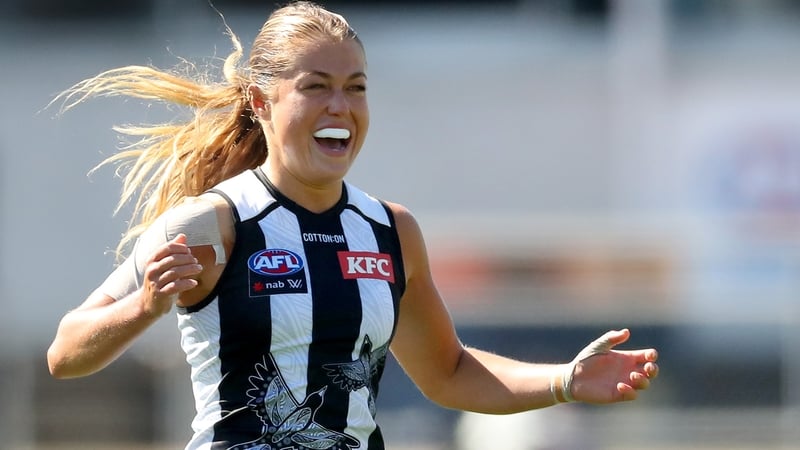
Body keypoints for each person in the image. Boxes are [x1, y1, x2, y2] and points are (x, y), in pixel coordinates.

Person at [46, 2, 660, 449]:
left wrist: (565, 380)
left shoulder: (390, 230)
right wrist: (146, 306)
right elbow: (65, 352)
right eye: (316, 88)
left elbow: (448, 373)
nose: (340, 106)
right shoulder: (216, 222)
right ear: (262, 105)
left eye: (355, 88)